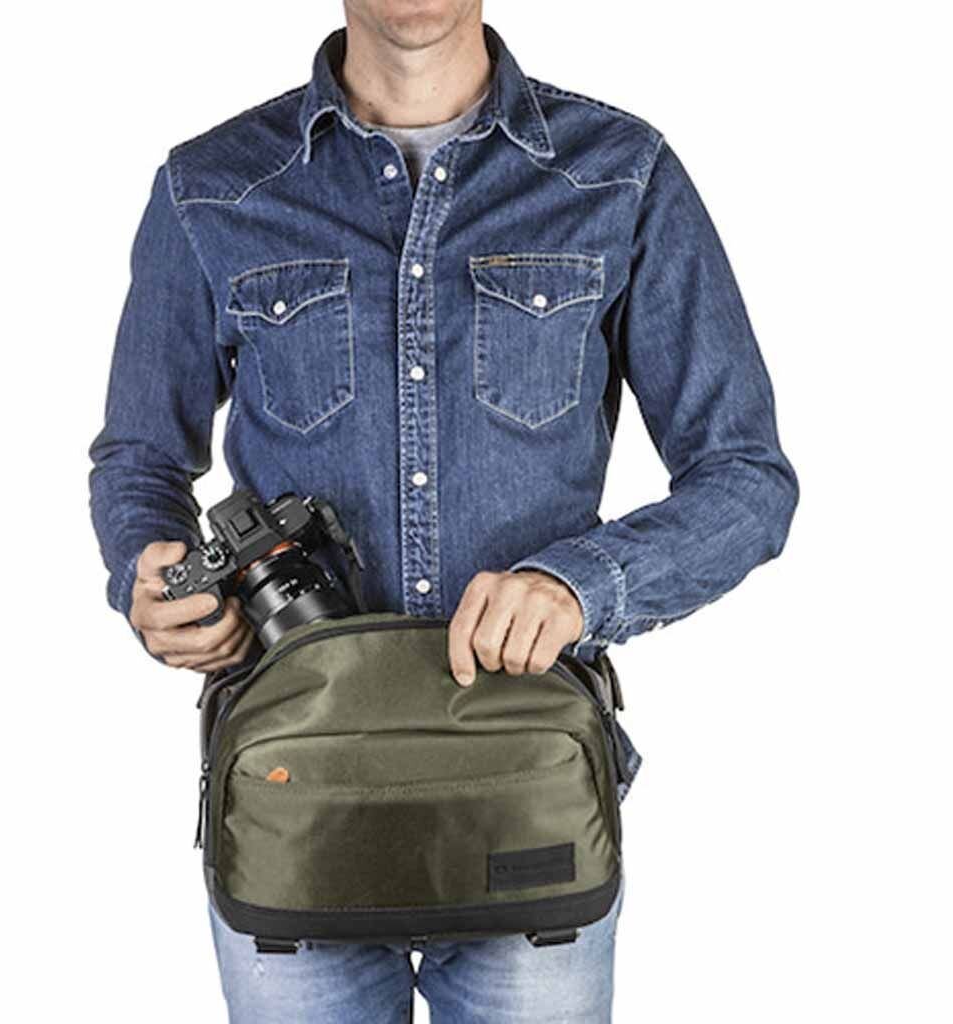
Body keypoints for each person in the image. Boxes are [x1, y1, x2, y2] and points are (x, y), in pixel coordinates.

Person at [88, 2, 798, 1020]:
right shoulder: (212, 185)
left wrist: (577, 587)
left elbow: (746, 476)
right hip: (297, 801)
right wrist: (146, 569)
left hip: (527, 797)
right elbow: (140, 456)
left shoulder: (618, 173)